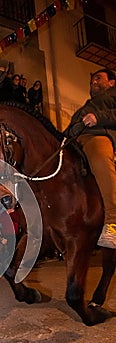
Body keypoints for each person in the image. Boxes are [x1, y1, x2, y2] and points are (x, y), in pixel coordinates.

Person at [64, 68, 116, 249]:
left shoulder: (113, 96)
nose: (93, 82)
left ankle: (112, 222)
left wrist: (98, 117)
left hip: (98, 136)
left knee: (100, 157)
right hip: (74, 141)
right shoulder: (85, 106)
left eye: (98, 78)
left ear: (111, 82)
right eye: (92, 80)